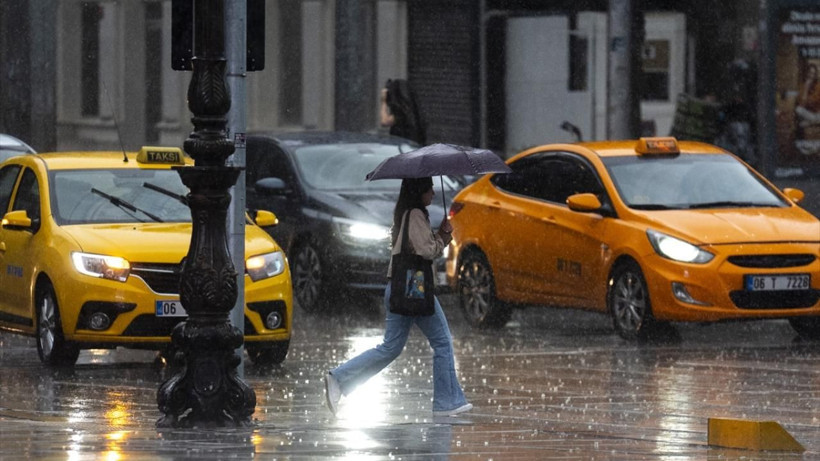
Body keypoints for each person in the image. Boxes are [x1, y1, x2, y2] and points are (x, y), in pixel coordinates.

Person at [324, 176, 472, 417]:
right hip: (413, 287)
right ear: (419, 191)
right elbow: (425, 250)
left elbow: (418, 245)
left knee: (391, 347)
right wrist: (443, 237)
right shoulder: (414, 214)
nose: (433, 193)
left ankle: (339, 379)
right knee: (442, 341)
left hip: (400, 287)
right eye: (430, 188)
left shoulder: (407, 213)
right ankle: (446, 402)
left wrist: (439, 236)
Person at [381, 79, 427, 144]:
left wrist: (383, 101)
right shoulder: (413, 109)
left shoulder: (402, 111)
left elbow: (385, 121)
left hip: (403, 146)